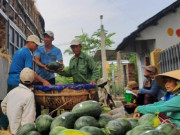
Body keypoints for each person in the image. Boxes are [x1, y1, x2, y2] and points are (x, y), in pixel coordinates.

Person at [0, 35, 50, 130]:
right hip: (17, 81)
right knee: (22, 107)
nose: (36, 47)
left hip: (11, 80)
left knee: (9, 104)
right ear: (30, 43)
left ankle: (2, 127)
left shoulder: (19, 51)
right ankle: (22, 128)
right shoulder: (27, 53)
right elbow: (29, 71)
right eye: (36, 45)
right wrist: (43, 81)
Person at [34, 31, 63, 117]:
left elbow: (60, 63)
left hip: (50, 77)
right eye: (45, 37)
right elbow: (36, 60)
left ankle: (52, 117)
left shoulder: (57, 50)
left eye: (48, 37)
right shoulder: (39, 48)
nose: (46, 39)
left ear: (52, 39)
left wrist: (59, 68)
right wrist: (44, 66)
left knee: (52, 99)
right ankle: (37, 117)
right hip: (38, 77)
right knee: (37, 99)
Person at [1, 68, 36, 134]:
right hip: (21, 132)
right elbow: (28, 119)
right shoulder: (29, 95)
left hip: (12, 129)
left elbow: (3, 104)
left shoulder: (12, 92)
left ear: (20, 80)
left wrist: (11, 115)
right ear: (33, 81)